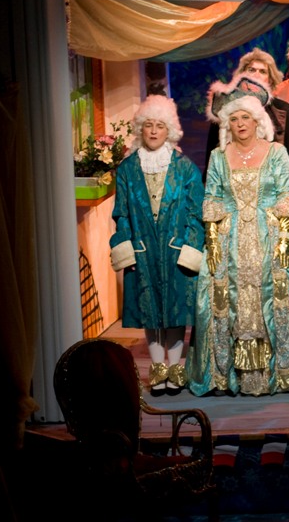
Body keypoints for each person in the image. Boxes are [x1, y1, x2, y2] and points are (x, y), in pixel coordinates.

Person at [188, 77, 289, 396]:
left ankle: (286, 373)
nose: (240, 123)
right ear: (227, 124)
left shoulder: (276, 152)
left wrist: (284, 239)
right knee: (226, 302)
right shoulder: (219, 156)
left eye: (245, 117)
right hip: (230, 236)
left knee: (279, 298)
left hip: (272, 232)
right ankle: (225, 375)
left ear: (258, 119)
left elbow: (285, 194)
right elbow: (213, 197)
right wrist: (213, 241)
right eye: (234, 118)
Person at [109, 95, 204, 395]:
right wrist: (127, 245)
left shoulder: (185, 168)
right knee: (149, 310)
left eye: (159, 126)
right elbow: (121, 213)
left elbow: (196, 213)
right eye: (148, 125)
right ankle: (157, 366)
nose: (153, 131)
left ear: (169, 130)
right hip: (143, 249)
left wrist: (190, 246)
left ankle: (175, 367)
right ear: (141, 128)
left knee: (176, 311)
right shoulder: (127, 169)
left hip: (176, 250)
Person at [205, 48, 289, 186]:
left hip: (275, 187)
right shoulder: (226, 109)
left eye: (263, 71)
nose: (256, 75)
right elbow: (211, 154)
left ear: (270, 79)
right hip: (233, 184)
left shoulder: (284, 111)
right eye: (252, 70)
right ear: (242, 75)